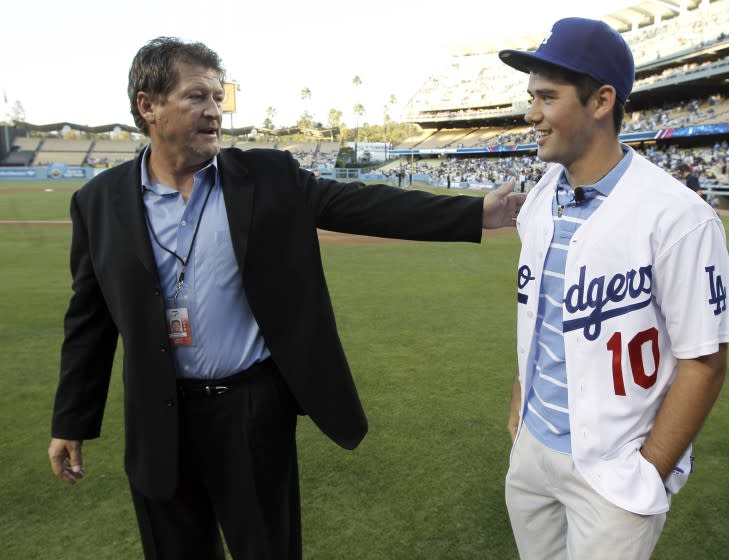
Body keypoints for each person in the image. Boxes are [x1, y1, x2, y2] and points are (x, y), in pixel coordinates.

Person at [47, 37, 524, 560]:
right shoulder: (97, 203)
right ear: (149, 106)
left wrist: (472, 215)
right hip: (157, 422)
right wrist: (71, 422)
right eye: (197, 97)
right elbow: (89, 324)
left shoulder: (265, 177)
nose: (214, 111)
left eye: (217, 98)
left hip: (251, 411)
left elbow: (359, 205)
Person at [499, 17, 729, 560]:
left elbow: (704, 360)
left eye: (546, 96)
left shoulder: (680, 215)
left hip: (616, 471)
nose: (531, 114)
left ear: (601, 100)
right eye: (530, 97)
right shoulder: (542, 199)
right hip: (534, 450)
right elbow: (538, 315)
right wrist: (521, 402)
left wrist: (650, 470)